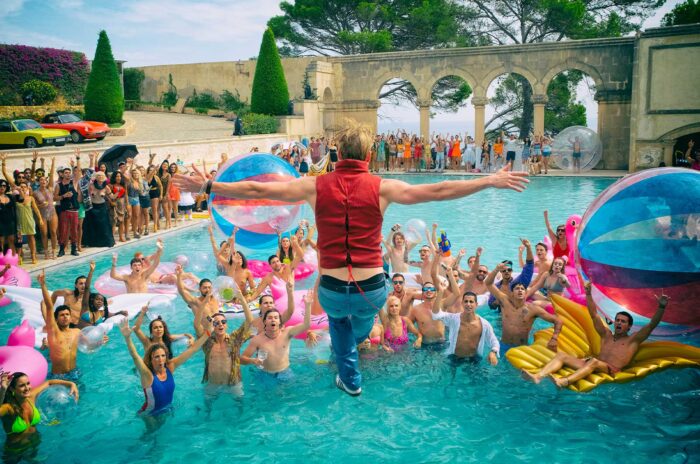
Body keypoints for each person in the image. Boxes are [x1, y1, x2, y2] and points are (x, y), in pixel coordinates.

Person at [172, 120, 529, 395]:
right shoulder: (383, 187)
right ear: (369, 156)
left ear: (338, 155)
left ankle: (350, 377)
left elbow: (258, 188)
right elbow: (438, 190)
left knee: (339, 321)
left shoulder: (314, 185)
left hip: (331, 288)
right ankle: (352, 365)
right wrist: (488, 180)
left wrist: (210, 186)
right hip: (371, 289)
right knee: (358, 323)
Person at [522, 284, 670, 387]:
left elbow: (651, 325)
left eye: (623, 321)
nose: (619, 323)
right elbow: (593, 315)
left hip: (610, 369)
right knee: (561, 356)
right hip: (592, 364)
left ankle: (565, 381)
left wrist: (662, 307)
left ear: (629, 326)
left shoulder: (633, 340)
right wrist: (588, 294)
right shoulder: (606, 335)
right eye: (617, 320)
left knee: (593, 361)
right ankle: (538, 377)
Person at [119, 319, 206, 417]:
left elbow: (193, 349)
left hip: (167, 409)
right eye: (156, 357)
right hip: (150, 415)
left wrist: (208, 333)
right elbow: (135, 355)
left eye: (163, 356)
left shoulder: (170, 367)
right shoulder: (147, 375)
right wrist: (127, 337)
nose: (161, 360)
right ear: (151, 359)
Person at [193, 282, 254, 399]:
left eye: (223, 322)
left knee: (239, 406)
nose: (220, 324)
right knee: (207, 407)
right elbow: (196, 325)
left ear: (226, 325)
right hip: (212, 384)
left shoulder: (234, 339)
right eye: (216, 323)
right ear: (212, 326)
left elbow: (249, 321)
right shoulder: (207, 342)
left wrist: (241, 298)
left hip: (233, 384)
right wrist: (204, 302)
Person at [0, 372, 78, 461]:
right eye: (22, 386)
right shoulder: (8, 408)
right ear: (12, 389)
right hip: (15, 451)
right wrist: (3, 389)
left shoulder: (31, 397)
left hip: (35, 443)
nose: (27, 388)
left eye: (28, 383)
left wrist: (71, 384)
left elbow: (49, 383)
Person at [486, 263, 563, 353]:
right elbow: (488, 283)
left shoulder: (533, 309)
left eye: (522, 289)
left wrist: (554, 338)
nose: (520, 290)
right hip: (503, 345)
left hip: (521, 349)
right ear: (512, 293)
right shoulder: (505, 302)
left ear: (526, 292)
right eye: (517, 288)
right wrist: (496, 269)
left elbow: (558, 321)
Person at [240, 289, 312, 381]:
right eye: (270, 318)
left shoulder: (287, 333)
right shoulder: (257, 339)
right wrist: (253, 360)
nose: (273, 319)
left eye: (275, 318)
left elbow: (306, 325)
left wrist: (308, 305)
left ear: (280, 321)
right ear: (265, 321)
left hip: (285, 372)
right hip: (264, 374)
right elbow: (242, 359)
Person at [432, 291, 499, 365]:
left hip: (473, 359)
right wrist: (441, 291)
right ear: (462, 304)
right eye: (466, 301)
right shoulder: (453, 319)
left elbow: (494, 341)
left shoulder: (484, 324)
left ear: (476, 304)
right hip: (455, 357)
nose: (468, 304)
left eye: (471, 302)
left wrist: (493, 352)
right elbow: (436, 315)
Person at [38, 271, 82, 379]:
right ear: (56, 319)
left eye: (67, 314)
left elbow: (88, 344)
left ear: (71, 317)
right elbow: (49, 307)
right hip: (58, 376)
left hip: (75, 372)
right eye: (62, 315)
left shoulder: (77, 332)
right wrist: (43, 285)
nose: (65, 317)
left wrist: (100, 341)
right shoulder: (54, 332)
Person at [53, 162, 81, 257]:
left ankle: (73, 249)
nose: (68, 174)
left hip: (74, 211)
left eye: (69, 173)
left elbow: (78, 173)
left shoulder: (74, 183)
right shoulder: (58, 185)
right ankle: (62, 250)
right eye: (66, 173)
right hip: (65, 211)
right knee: (63, 230)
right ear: (62, 174)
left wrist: (77, 160)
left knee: (74, 231)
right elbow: (54, 198)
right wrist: (63, 196)